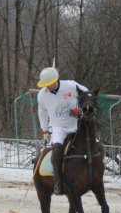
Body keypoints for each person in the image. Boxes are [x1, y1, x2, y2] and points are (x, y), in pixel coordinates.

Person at [36, 67, 88, 195]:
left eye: (50, 84)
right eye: (46, 85)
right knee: (57, 151)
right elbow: (42, 112)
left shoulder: (71, 85)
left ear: (56, 80)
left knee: (97, 145)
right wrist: (45, 131)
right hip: (58, 128)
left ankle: (94, 176)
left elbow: (86, 93)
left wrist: (80, 109)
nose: (48, 87)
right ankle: (58, 183)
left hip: (75, 124)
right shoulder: (42, 95)